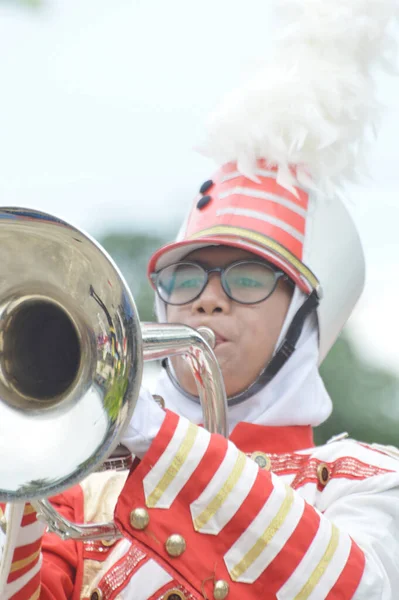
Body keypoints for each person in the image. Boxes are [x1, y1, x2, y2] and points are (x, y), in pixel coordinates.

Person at [2, 0, 399, 598]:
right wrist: (23, 463)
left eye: (245, 278)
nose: (206, 302)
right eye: (184, 279)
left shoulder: (365, 480)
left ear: (304, 319)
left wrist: (150, 431)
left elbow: (357, 589)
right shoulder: (85, 491)